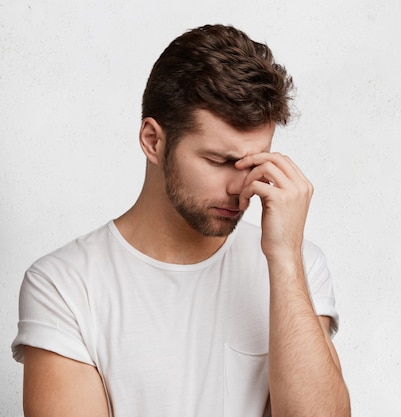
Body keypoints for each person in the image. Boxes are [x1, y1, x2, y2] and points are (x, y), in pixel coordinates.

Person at [12, 24, 351, 417]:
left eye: (256, 162)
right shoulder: (65, 284)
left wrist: (286, 261)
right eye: (219, 161)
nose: (242, 187)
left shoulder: (297, 265)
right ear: (153, 141)